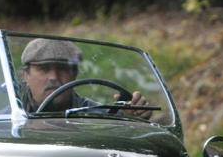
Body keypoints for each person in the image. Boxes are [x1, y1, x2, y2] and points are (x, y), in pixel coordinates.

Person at [18, 38, 150, 116]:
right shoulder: (10, 116)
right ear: (25, 75)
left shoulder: (98, 116)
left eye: (63, 68)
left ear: (74, 74)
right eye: (44, 68)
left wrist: (131, 118)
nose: (54, 77)